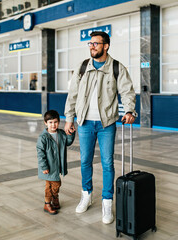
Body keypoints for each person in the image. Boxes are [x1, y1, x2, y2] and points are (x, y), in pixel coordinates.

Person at [64, 31, 137, 224]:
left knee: (107, 163)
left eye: (96, 44)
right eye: (90, 43)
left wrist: (129, 111)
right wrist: (69, 119)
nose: (92, 47)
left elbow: (127, 92)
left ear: (106, 46)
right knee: (85, 161)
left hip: (106, 124)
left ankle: (107, 201)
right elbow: (72, 95)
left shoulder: (116, 67)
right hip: (85, 123)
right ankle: (86, 195)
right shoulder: (81, 67)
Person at [36, 110, 75, 215]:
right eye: (50, 122)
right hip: (49, 167)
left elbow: (68, 142)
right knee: (55, 184)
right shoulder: (43, 137)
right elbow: (40, 154)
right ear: (45, 123)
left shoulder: (61, 133)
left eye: (55, 122)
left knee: (51, 185)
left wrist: (71, 134)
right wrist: (44, 167)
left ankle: (53, 201)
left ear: (59, 122)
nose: (53, 125)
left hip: (58, 165)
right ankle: (48, 203)